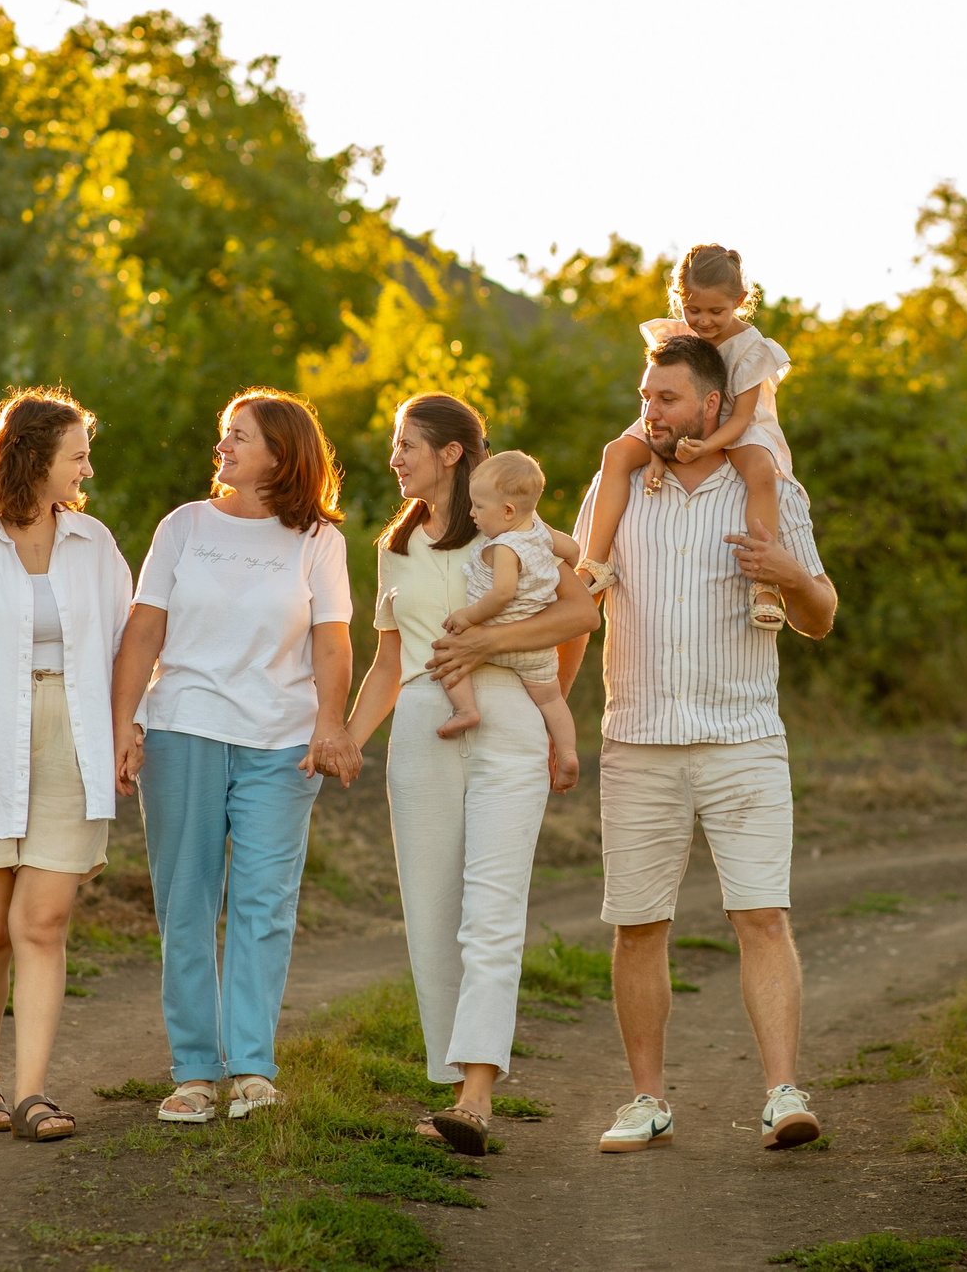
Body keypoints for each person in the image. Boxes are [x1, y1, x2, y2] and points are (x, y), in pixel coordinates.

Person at [564, 332, 838, 1155]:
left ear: (713, 407)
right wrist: (553, 708)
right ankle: (646, 1099)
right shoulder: (619, 483)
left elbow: (821, 614)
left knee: (762, 914)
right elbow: (582, 592)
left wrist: (788, 574)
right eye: (646, 396)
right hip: (638, 739)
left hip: (743, 737)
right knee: (639, 924)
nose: (651, 410)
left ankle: (782, 1093)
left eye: (668, 398)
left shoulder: (770, 487)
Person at [343, 395, 599, 1157]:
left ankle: (477, 1093)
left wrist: (500, 655)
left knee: (492, 905)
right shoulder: (394, 546)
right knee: (430, 911)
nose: (395, 457)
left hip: (509, 721)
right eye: (395, 445)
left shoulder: (513, 528)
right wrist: (348, 741)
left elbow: (581, 611)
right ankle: (452, 1078)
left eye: (408, 444)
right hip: (423, 725)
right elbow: (388, 663)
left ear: (454, 452)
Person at [109, 389, 362, 1126]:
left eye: (237, 437)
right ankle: (194, 1069)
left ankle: (251, 1065)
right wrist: (124, 721)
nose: (221, 447)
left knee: (263, 902)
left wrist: (330, 721)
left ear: (280, 454)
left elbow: (332, 640)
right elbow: (144, 630)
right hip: (183, 725)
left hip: (283, 744)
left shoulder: (318, 538)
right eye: (224, 435)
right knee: (185, 900)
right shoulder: (184, 526)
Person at [0, 388, 132, 1142]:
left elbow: (125, 646)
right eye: (76, 454)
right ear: (36, 457)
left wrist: (128, 726)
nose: (86, 467)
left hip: (73, 738)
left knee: (41, 920)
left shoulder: (95, 544)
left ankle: (34, 1091)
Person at [575, 245, 798, 628]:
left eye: (716, 312)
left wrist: (705, 448)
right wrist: (661, 453)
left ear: (740, 301)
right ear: (679, 299)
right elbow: (659, 399)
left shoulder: (750, 349)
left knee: (760, 468)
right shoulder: (680, 332)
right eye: (693, 310)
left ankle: (764, 584)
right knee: (616, 453)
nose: (703, 321)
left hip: (735, 425)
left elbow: (742, 415)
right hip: (681, 420)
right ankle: (595, 563)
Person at [432, 450, 585, 778]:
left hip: (498, 633)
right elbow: (573, 550)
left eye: (479, 507)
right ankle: (568, 754)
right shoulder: (540, 534)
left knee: (447, 651)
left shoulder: (504, 546)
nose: (472, 513)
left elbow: (502, 594)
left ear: (508, 511)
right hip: (537, 648)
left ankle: (466, 710)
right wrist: (553, 568)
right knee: (551, 700)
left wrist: (469, 617)